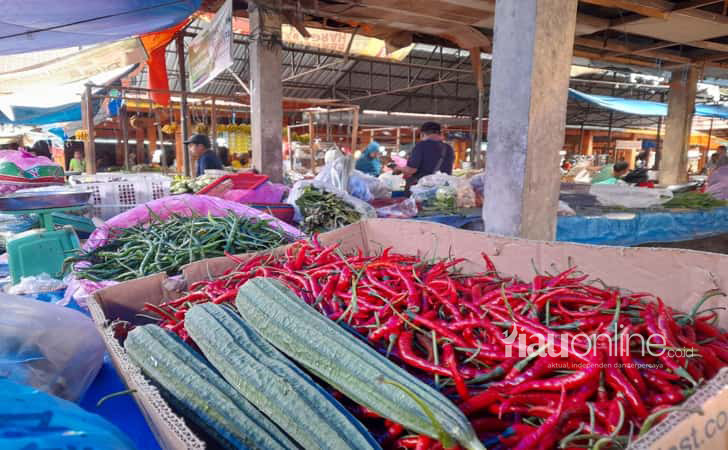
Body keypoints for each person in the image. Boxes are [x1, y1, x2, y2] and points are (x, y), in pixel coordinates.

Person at [400, 122, 454, 190]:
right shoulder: (448, 148)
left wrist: (398, 168)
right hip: (443, 190)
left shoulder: (421, 146)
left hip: (424, 189)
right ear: (439, 133)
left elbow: (411, 170)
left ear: (423, 134)